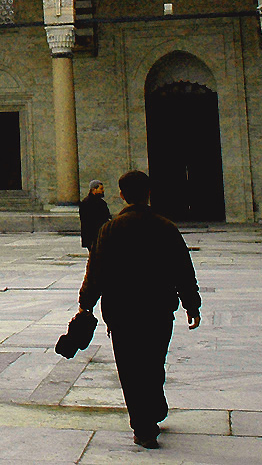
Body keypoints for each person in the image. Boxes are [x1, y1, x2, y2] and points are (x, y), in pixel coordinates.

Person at [78, 170, 201, 450]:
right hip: (158, 310)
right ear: (148, 193)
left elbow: (95, 271)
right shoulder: (165, 227)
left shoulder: (110, 230)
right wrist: (191, 303)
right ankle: (154, 409)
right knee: (154, 363)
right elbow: (183, 269)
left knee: (130, 369)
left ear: (122, 195)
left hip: (121, 312)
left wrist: (86, 303)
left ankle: (144, 427)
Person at [79, 180, 111, 252]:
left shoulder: (100, 202)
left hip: (98, 235)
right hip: (94, 236)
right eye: (101, 189)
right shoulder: (87, 203)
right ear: (94, 189)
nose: (103, 190)